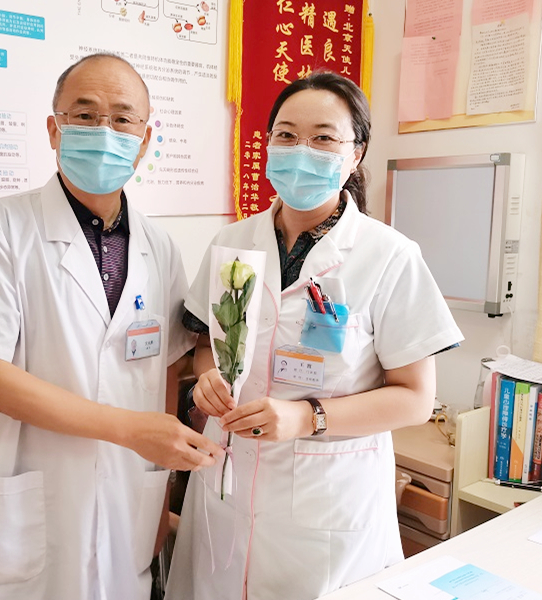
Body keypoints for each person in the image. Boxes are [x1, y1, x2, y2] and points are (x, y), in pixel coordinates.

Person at [0, 53, 223, 600]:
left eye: (122, 119)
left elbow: (166, 370)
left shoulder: (159, 248)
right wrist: (127, 430)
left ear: (145, 140)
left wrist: (158, 493)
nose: (104, 131)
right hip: (31, 500)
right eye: (84, 115)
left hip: (127, 501)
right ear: (53, 129)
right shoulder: (0, 228)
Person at [165, 72, 464, 600]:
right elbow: (207, 343)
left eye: (323, 137)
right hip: (225, 481)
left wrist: (308, 417)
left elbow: (415, 399)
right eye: (286, 135)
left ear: (355, 154)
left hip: (329, 501)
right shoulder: (232, 241)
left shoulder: (389, 256)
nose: (300, 150)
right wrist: (208, 376)